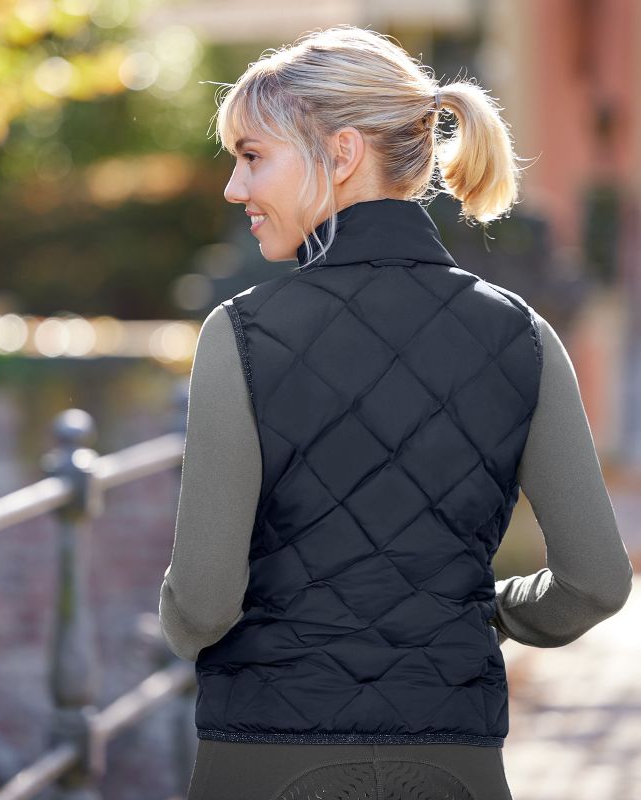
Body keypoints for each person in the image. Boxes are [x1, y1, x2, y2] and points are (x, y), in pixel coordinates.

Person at [159, 25, 634, 800]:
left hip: (265, 756)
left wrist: (178, 620)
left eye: (252, 157)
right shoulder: (523, 334)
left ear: (341, 153)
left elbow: (202, 605)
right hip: (455, 759)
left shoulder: (240, 333)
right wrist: (490, 611)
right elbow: (596, 584)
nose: (234, 189)